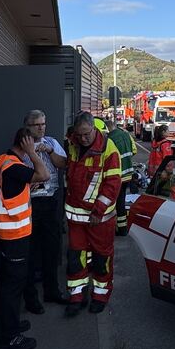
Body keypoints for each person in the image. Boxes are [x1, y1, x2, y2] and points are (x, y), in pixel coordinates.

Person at [0, 127, 49, 349]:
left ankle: (5, 324)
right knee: (13, 285)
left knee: (5, 281)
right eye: (32, 144)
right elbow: (44, 175)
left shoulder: (1, 160)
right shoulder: (14, 165)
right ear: (24, 143)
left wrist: (25, 186)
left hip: (6, 231)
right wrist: (32, 154)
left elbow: (10, 191)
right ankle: (9, 336)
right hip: (14, 234)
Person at [64, 111, 121, 316]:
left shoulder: (108, 150)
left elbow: (112, 185)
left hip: (100, 219)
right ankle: (76, 296)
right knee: (75, 257)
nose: (83, 139)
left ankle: (100, 295)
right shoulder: (72, 143)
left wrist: (98, 210)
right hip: (76, 217)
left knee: (101, 258)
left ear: (94, 128)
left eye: (87, 134)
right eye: (79, 135)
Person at [21, 109, 68, 314]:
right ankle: (30, 298)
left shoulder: (52, 142)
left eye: (43, 123)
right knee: (30, 252)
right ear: (28, 127)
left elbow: (63, 164)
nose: (41, 127)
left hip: (50, 202)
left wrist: (49, 151)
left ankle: (52, 291)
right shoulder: (22, 145)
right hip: (29, 205)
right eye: (36, 124)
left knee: (51, 249)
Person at [104, 118, 137, 236]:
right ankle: (123, 228)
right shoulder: (126, 134)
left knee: (113, 203)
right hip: (128, 174)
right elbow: (134, 150)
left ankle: (116, 228)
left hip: (117, 175)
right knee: (121, 202)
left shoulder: (110, 139)